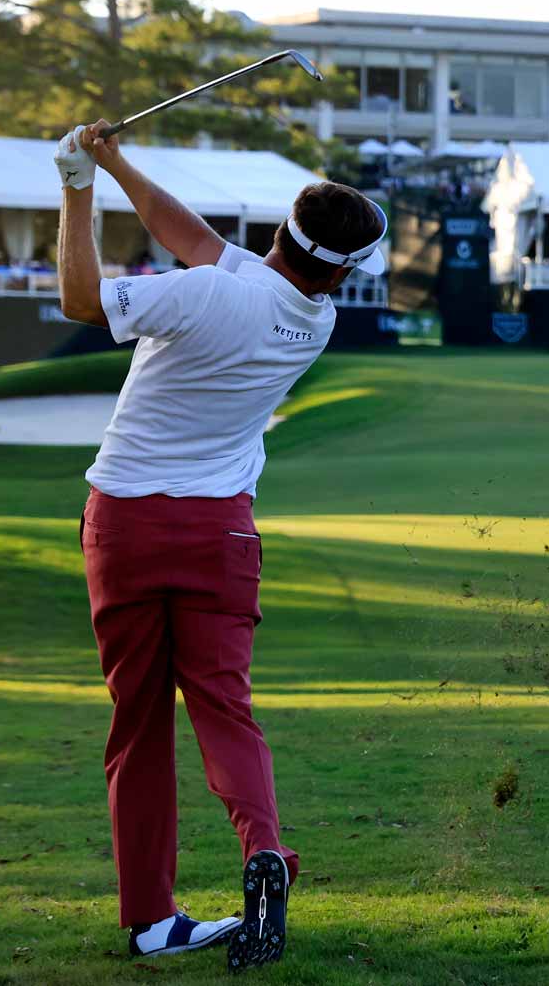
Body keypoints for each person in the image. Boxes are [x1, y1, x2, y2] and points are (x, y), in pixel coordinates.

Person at [53, 120, 386, 972]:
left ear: (279, 230)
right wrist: (117, 158)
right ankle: (263, 853)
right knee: (224, 709)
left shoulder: (205, 295)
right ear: (341, 267)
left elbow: (83, 303)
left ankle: (151, 920)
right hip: (222, 533)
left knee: (138, 725)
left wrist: (77, 185)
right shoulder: (316, 317)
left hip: (126, 522)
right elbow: (195, 237)